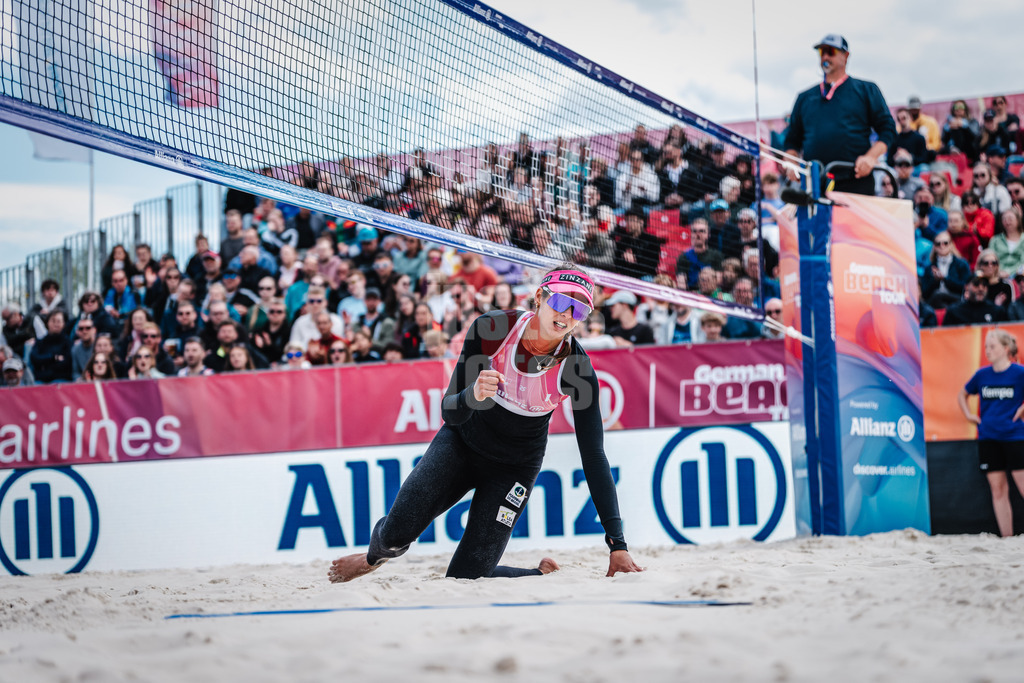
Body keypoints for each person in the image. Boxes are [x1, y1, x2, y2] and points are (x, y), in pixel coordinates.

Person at [328, 263, 642, 583]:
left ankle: (537, 573)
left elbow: (593, 455)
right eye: (561, 302)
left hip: (514, 468)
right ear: (539, 298)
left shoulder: (578, 370)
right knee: (393, 538)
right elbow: (450, 411)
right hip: (462, 443)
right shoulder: (493, 329)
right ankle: (370, 559)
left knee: (467, 577)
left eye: (579, 309)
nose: (567, 315)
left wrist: (617, 544)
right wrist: (473, 396)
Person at [783, 34, 896, 195]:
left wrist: (870, 158)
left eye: (831, 51)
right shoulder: (805, 97)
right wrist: (792, 164)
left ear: (846, 56)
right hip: (815, 184)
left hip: (855, 180)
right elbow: (791, 142)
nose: (826, 56)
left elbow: (888, 129)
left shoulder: (866, 90)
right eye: (822, 52)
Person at [958, 329, 1024, 537]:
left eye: (992, 346)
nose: (988, 350)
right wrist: (969, 415)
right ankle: (1008, 539)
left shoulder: (1019, 373)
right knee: (998, 490)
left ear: (1006, 349)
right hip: (988, 438)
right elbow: (962, 394)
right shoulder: (981, 374)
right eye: (986, 346)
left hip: (1015, 437)